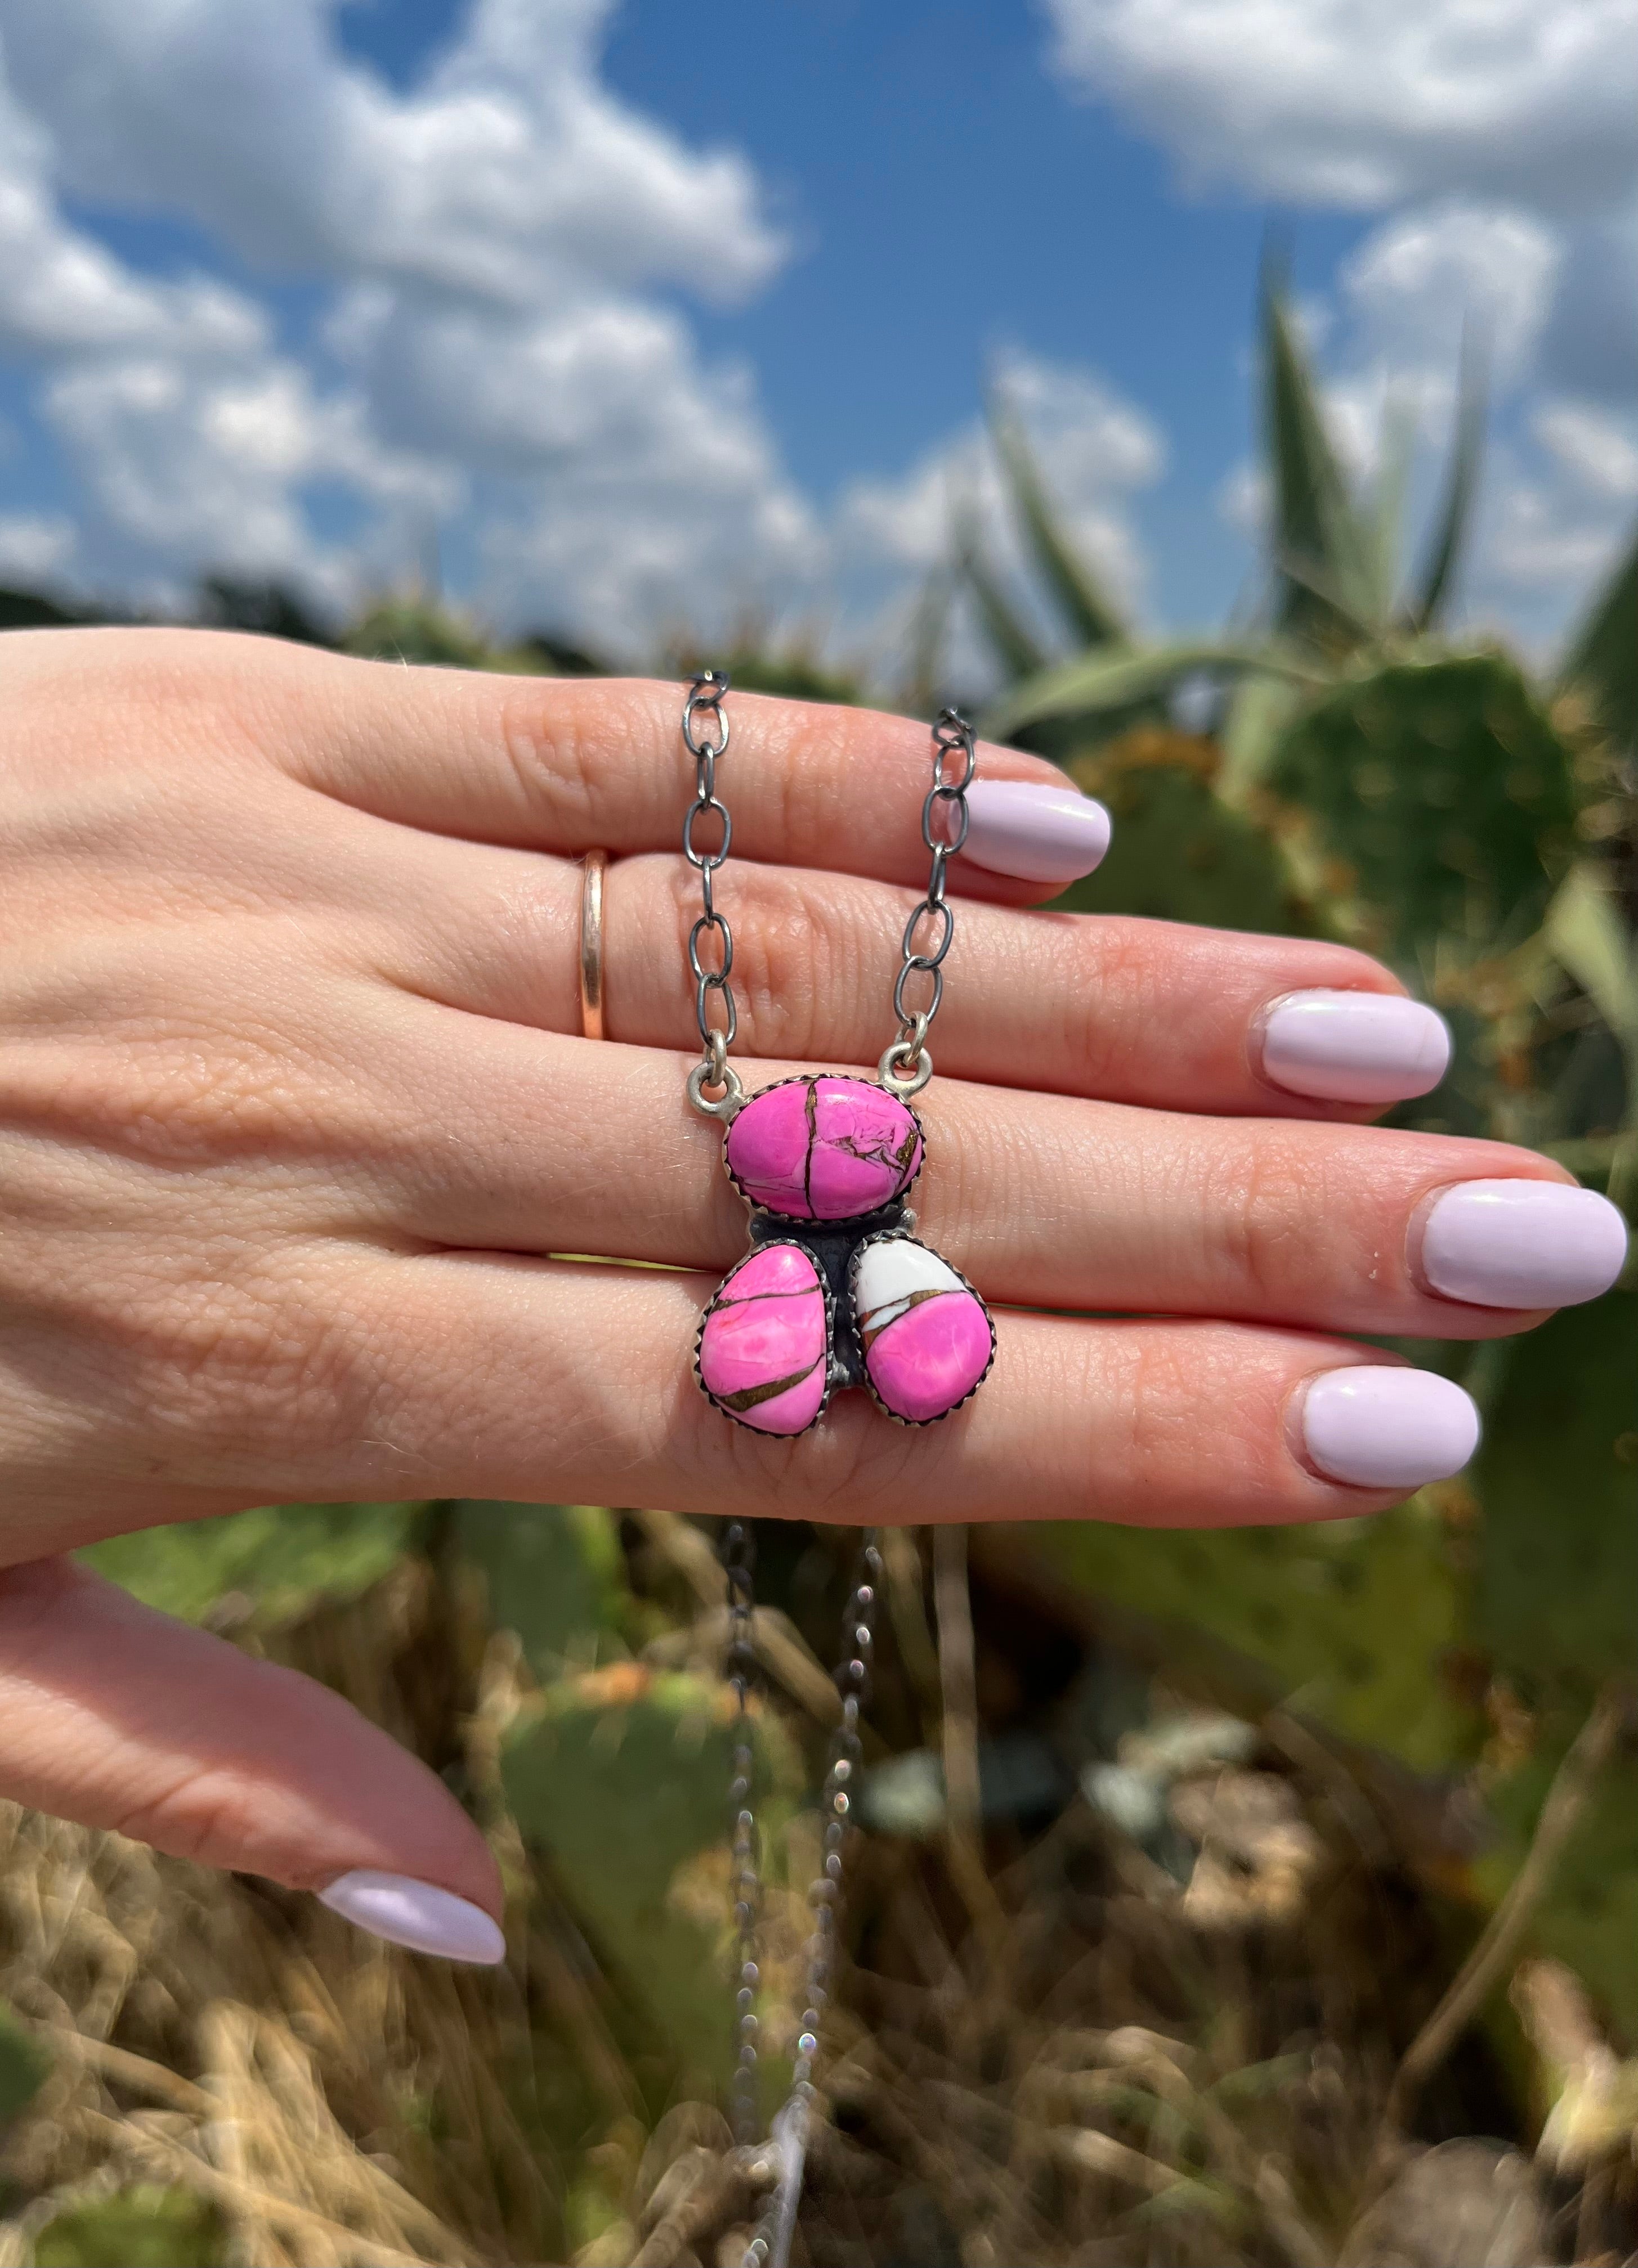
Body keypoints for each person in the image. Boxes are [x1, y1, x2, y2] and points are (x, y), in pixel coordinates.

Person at [0, 628, 1624, 1963]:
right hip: (812, 1245)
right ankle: (844, 1325)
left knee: (850, 1311)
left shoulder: (821, 1135)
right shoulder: (794, 1146)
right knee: (844, 1312)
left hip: (829, 1247)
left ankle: (843, 1323)